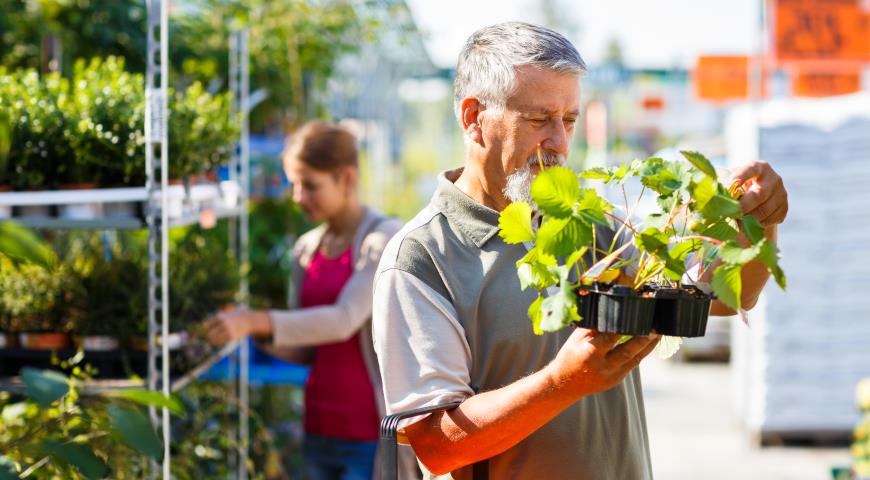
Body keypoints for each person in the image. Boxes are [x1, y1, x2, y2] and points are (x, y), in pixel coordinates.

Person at [371, 22, 788, 479]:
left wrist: (759, 221)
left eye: (568, 120)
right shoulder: (422, 258)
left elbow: (729, 298)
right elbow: (435, 445)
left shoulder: (591, 224)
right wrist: (561, 383)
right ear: (474, 118)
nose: (560, 143)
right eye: (538, 119)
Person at [205, 120, 404, 480]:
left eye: (310, 185)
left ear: (346, 178)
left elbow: (343, 320)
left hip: (368, 432)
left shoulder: (384, 238)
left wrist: (255, 320)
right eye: (294, 185)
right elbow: (308, 348)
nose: (298, 197)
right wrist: (246, 329)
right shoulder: (307, 249)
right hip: (318, 427)